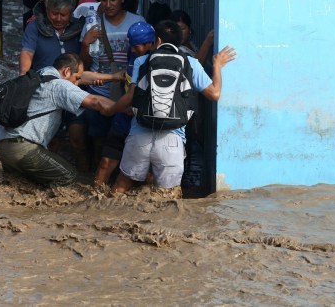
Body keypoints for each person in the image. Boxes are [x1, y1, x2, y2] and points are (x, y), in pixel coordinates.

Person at [101, 20, 236, 194]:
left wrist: (109, 110)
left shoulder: (142, 61)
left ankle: (110, 219)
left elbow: (130, 97)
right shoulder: (191, 63)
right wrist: (217, 65)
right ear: (180, 41)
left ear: (157, 40)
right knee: (168, 197)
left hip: (139, 135)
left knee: (121, 185)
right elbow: (214, 94)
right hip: (172, 140)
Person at [0, 53, 115, 186]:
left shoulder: (41, 74)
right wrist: (124, 108)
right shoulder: (59, 86)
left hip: (5, 148)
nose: (76, 84)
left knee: (21, 186)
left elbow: (82, 76)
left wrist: (114, 77)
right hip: (24, 150)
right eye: (76, 79)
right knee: (70, 176)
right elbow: (95, 102)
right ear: (66, 71)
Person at [79, 0, 146, 168]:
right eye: (103, 0)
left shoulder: (137, 22)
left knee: (126, 140)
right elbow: (84, 63)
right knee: (98, 138)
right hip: (98, 92)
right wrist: (85, 44)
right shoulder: (92, 24)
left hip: (127, 94)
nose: (108, 5)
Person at [93, 21, 156, 187]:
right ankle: (92, 202)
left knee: (148, 175)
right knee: (106, 162)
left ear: (151, 43)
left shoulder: (158, 62)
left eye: (137, 47)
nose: (133, 50)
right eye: (132, 46)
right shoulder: (133, 54)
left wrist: (113, 109)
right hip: (123, 119)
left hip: (145, 123)